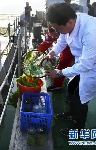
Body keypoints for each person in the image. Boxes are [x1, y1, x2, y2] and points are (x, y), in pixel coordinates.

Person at [44, 3, 96, 136]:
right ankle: (71, 113)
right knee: (72, 87)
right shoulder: (68, 23)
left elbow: (86, 65)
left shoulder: (90, 31)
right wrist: (51, 54)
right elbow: (62, 42)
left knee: (81, 98)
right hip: (84, 62)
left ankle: (78, 128)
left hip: (92, 66)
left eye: (59, 29)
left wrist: (60, 72)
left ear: (70, 22)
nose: (58, 32)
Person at [37, 26, 74, 91]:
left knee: (63, 64)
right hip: (63, 45)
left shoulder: (67, 33)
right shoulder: (50, 33)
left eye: (56, 36)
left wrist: (59, 73)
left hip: (69, 48)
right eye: (52, 36)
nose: (53, 37)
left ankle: (57, 85)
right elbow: (46, 43)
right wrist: (38, 53)